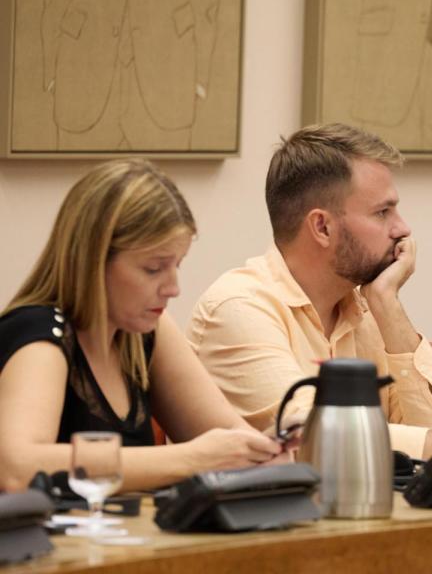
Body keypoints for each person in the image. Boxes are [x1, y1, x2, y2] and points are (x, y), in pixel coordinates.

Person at [188, 123, 432, 459]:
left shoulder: (365, 307)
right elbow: (317, 439)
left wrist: (387, 304)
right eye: (382, 212)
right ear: (322, 227)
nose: (402, 229)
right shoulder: (239, 309)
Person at [0, 159, 285, 492]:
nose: (173, 288)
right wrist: (193, 459)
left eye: (176, 266)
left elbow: (227, 439)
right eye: (153, 269)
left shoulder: (148, 329)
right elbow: (18, 469)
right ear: (92, 261)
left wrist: (268, 451)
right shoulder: (41, 336)